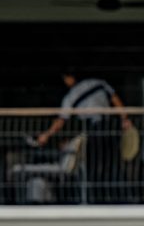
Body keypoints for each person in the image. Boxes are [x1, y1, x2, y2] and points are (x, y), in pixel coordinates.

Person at [36, 70, 134, 202]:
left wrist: (46, 134)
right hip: (109, 125)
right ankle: (121, 198)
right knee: (113, 163)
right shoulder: (98, 82)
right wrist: (125, 118)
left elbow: (61, 120)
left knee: (93, 165)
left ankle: (96, 200)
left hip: (93, 129)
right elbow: (115, 99)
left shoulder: (71, 95)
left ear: (69, 78)